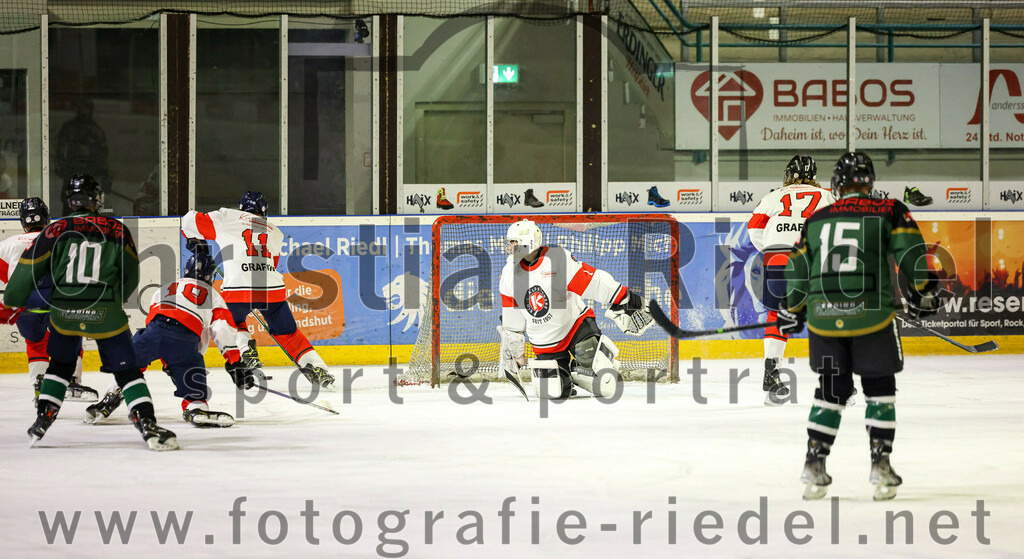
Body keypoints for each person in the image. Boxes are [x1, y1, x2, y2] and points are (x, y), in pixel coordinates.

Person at [781, 152, 942, 500]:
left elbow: (796, 268)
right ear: (870, 183)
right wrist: (924, 290)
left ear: (837, 185)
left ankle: (814, 464)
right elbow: (912, 255)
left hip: (824, 320)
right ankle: (880, 466)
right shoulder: (889, 210)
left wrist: (792, 307)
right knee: (879, 387)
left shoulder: (816, 219)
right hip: (873, 316)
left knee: (831, 390)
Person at [4, 175, 178, 450]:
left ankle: (43, 418)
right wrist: (115, 300)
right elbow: (130, 276)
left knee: (59, 366)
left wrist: (13, 301)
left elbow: (26, 273)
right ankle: (146, 422)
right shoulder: (117, 229)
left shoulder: (55, 230)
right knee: (128, 371)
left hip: (64, 311)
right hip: (105, 310)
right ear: (98, 199)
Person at [180, 191, 335, 389]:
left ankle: (246, 351)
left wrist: (196, 241)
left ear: (241, 208)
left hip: (239, 287)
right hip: (272, 289)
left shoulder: (227, 217)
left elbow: (188, 221)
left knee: (231, 322)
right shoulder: (275, 231)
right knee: (288, 333)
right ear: (264, 211)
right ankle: (318, 368)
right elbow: (272, 263)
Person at [85, 252, 253, 427]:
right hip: (184, 338)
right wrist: (234, 363)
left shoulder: (165, 288)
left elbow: (153, 320)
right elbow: (221, 329)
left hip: (153, 331)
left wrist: (166, 358)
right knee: (192, 378)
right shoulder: (212, 295)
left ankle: (112, 395)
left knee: (130, 365)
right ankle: (196, 407)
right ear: (210, 275)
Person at [497, 219, 652, 400]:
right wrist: (516, 351)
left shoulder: (556, 258)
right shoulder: (508, 273)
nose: (511, 246)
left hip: (575, 327)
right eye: (510, 242)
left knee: (604, 383)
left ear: (528, 241)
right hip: (545, 341)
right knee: (553, 392)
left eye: (515, 242)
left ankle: (584, 368)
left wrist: (623, 297)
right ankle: (569, 375)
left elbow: (590, 281)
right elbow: (512, 317)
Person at [746, 155, 834, 405]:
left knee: (778, 314)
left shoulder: (773, 196)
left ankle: (772, 376)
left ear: (788, 175)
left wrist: (772, 250)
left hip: (776, 259)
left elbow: (754, 230)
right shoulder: (828, 197)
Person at [0, 198, 97, 402]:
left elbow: (8, 277)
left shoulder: (7, 244)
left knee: (35, 342)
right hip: (56, 298)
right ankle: (70, 381)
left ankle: (40, 383)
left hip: (25, 302)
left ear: (23, 221)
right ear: (47, 218)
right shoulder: (63, 237)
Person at [55, 98, 111, 198]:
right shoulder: (69, 128)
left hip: (90, 172)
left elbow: (103, 153)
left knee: (88, 201)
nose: (83, 111)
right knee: (69, 201)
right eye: (81, 108)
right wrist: (61, 164)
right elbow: (60, 148)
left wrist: (104, 174)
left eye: (86, 108)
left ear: (90, 110)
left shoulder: (96, 130)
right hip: (72, 170)